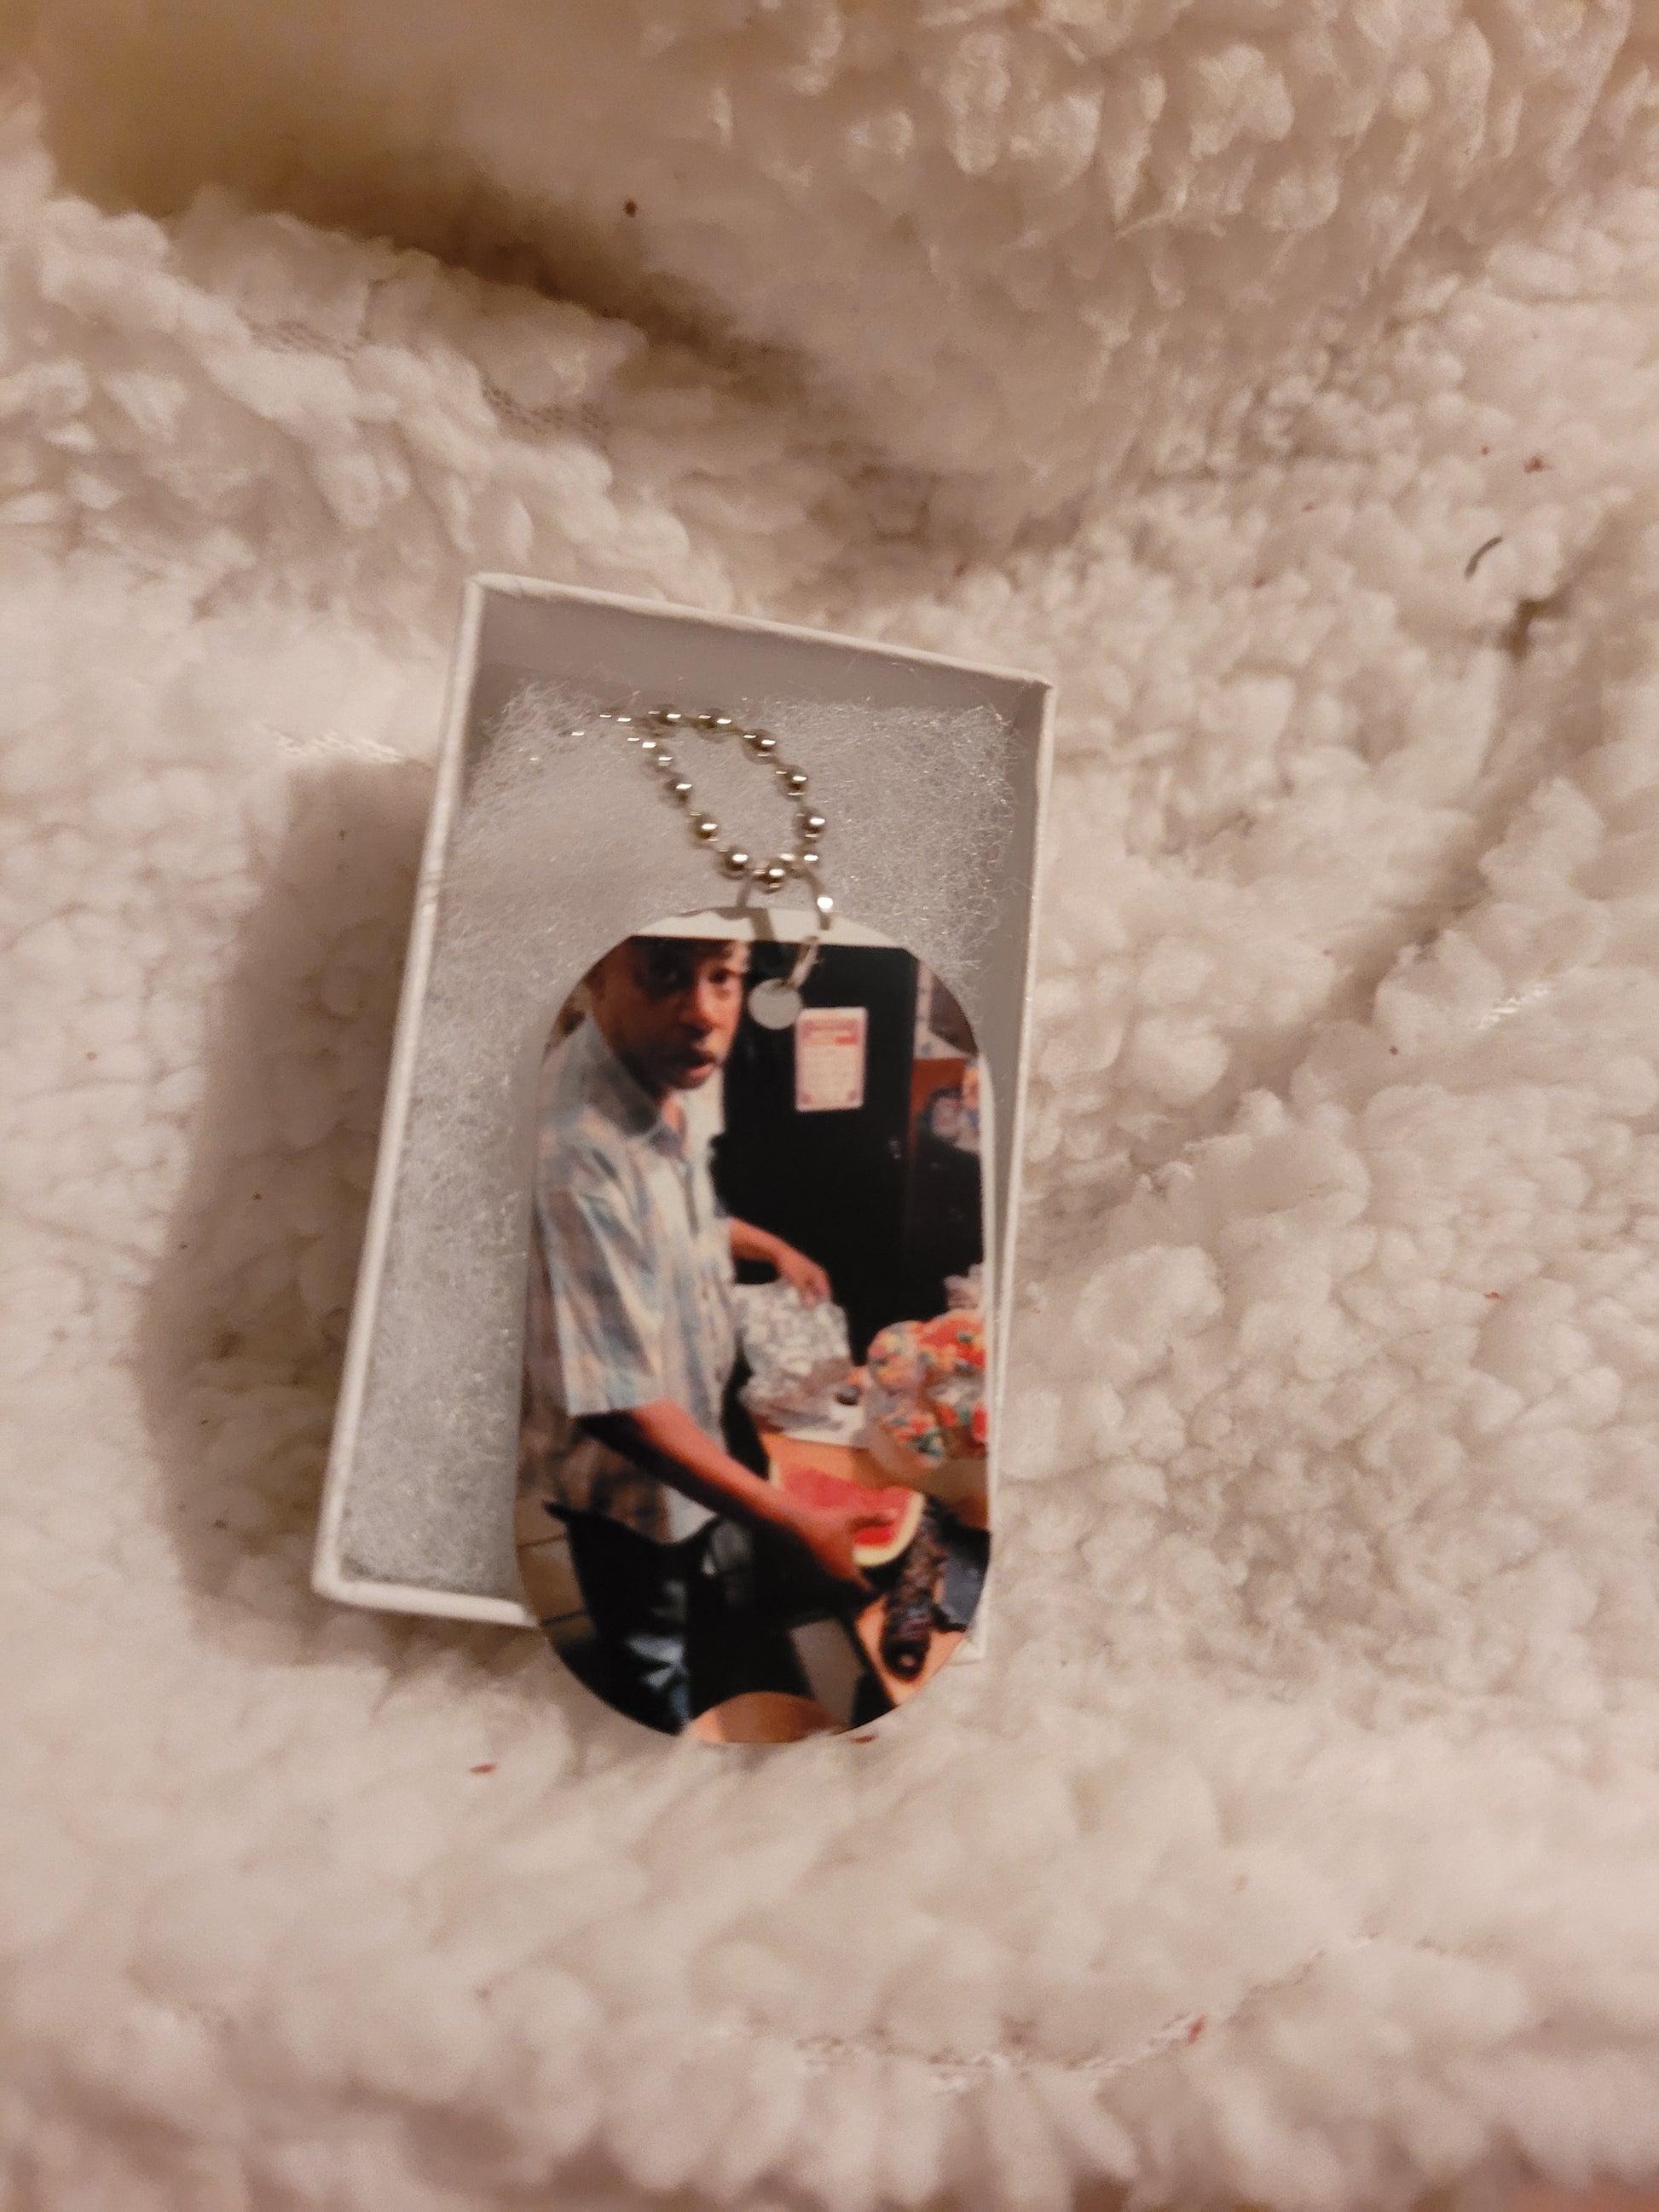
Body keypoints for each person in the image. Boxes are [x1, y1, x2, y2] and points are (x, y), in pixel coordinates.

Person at [520, 932, 895, 1733]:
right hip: (626, 1486)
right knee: (650, 1652)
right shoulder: (571, 1150)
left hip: (691, 1420)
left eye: (723, 977)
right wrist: (795, 1521)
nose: (703, 1012)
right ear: (595, 973)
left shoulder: (672, 1070)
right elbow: (620, 1405)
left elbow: (678, 1218)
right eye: (664, 974)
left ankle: (707, 1654)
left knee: (698, 1593)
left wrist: (769, 1246)